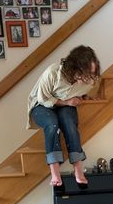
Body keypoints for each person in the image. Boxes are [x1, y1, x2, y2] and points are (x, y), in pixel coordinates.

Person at [27, 45, 100, 187]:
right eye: (85, 73)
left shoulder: (90, 80)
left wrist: (84, 98)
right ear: (75, 67)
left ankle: (78, 168)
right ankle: (54, 170)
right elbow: (43, 99)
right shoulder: (53, 73)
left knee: (69, 122)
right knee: (52, 122)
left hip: (65, 105)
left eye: (91, 74)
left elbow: (83, 91)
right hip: (41, 104)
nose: (88, 78)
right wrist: (66, 102)